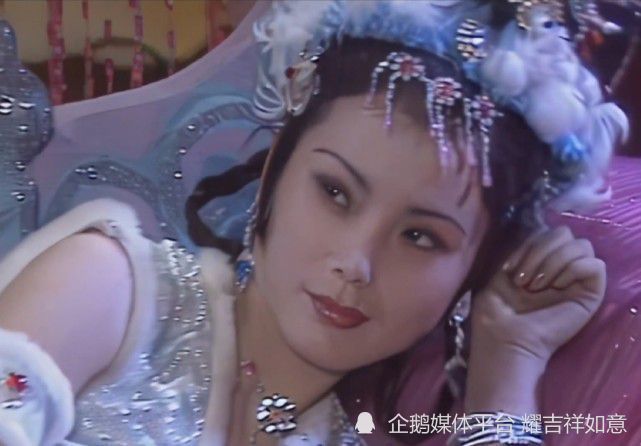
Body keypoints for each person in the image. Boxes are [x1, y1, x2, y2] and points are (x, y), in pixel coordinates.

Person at [0, 1, 630, 445]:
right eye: (335, 192)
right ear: (278, 163)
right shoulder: (115, 289)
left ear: (473, 269)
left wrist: (508, 362)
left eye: (421, 237)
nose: (356, 263)